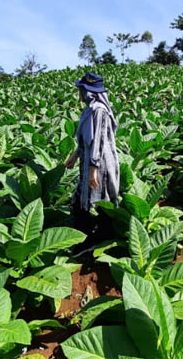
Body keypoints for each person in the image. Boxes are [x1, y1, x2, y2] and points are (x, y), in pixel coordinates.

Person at [65, 72, 119, 242]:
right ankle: (85, 236)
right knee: (81, 199)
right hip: (89, 161)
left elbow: (99, 140)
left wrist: (94, 168)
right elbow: (86, 139)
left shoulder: (100, 111)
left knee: (102, 200)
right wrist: (76, 155)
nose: (79, 93)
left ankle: (103, 237)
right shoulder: (89, 111)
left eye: (81, 89)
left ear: (88, 91)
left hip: (101, 164)